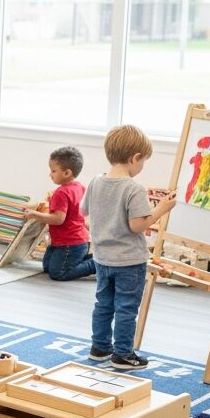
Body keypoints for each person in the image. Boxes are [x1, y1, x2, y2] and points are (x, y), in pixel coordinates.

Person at [82, 125, 176, 370]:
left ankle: (100, 347)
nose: (142, 165)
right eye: (143, 160)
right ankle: (123, 354)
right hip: (129, 263)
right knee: (125, 308)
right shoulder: (134, 188)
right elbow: (137, 226)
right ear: (135, 157)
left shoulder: (95, 181)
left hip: (102, 259)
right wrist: (161, 209)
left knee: (103, 305)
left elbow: (85, 212)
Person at [22, 146, 96, 281]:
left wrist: (34, 215)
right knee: (47, 267)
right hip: (75, 242)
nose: (50, 174)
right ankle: (86, 259)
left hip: (70, 244)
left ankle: (97, 264)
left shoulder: (61, 193)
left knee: (58, 273)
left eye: (53, 171)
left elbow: (58, 219)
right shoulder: (79, 187)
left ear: (67, 173)